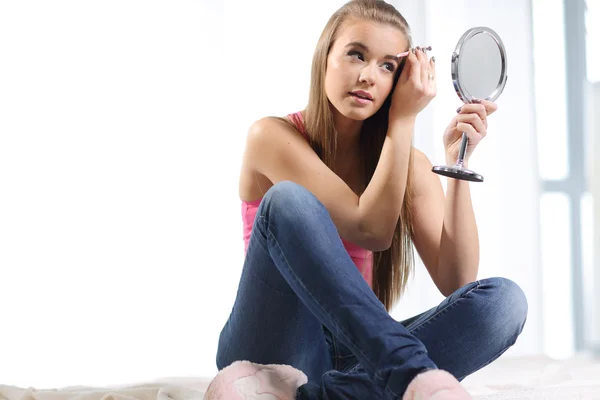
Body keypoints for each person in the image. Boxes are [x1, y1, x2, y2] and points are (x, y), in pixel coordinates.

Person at [207, 0, 528, 399]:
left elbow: (457, 281)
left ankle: (332, 395)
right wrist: (404, 120)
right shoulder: (271, 137)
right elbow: (371, 229)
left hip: (350, 353)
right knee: (288, 200)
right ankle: (409, 375)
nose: (367, 76)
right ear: (326, 57)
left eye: (387, 66)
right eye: (356, 54)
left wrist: (456, 164)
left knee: (503, 303)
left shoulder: (405, 165)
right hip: (271, 347)